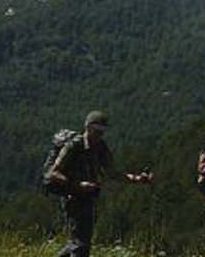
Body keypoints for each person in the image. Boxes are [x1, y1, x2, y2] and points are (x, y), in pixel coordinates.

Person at [44, 110, 153, 257]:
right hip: (73, 196)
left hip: (88, 196)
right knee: (81, 244)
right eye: (97, 131)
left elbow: (112, 172)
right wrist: (78, 185)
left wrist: (137, 179)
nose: (100, 135)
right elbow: (53, 172)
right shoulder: (74, 146)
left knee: (77, 242)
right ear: (88, 127)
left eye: (103, 131)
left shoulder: (100, 147)